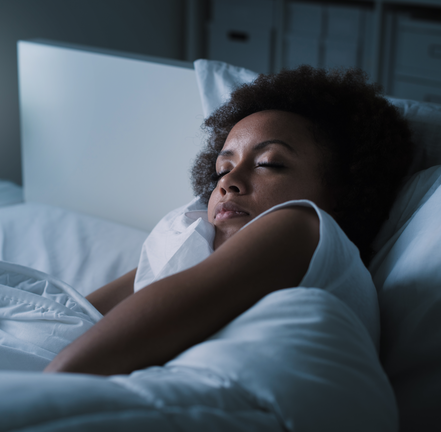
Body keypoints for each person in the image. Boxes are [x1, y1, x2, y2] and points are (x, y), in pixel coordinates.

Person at [44, 65, 414, 375]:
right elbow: (63, 320)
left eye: (269, 163)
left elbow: (69, 369)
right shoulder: (193, 240)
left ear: (343, 190)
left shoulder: (301, 227)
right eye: (223, 168)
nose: (228, 184)